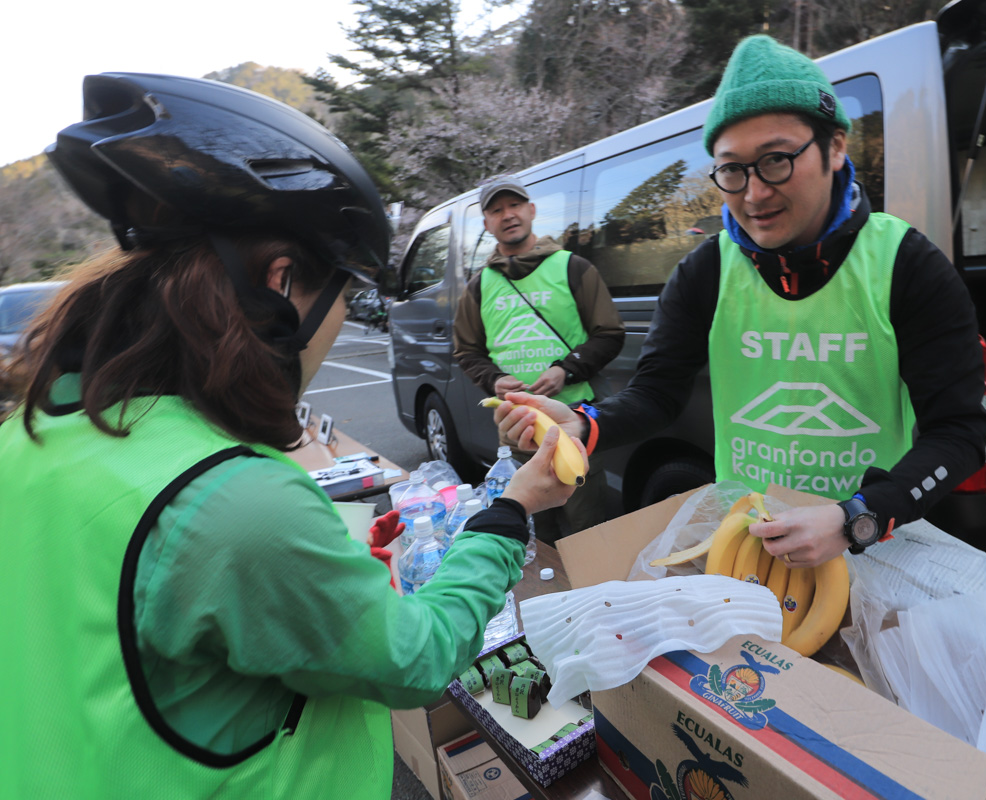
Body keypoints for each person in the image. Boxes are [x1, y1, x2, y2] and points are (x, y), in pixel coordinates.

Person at [0, 73, 584, 798]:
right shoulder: (228, 502)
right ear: (283, 282)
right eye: (343, 295)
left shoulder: (27, 441)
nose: (339, 325)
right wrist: (512, 510)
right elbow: (418, 659)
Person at [491, 35, 986, 568]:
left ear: (836, 148)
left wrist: (859, 516)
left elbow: (960, 430)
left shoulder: (905, 262)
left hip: (868, 541)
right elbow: (656, 394)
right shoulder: (706, 270)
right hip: (748, 536)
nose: (754, 194)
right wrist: (584, 424)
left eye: (776, 160)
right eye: (732, 169)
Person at [453, 175, 625, 540]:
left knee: (587, 531)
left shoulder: (573, 267)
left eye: (514, 205)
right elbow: (467, 351)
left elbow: (609, 334)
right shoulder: (478, 286)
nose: (507, 215)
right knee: (532, 533)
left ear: (531, 211)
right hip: (517, 429)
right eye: (496, 210)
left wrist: (566, 370)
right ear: (487, 224)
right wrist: (493, 380)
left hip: (575, 422)